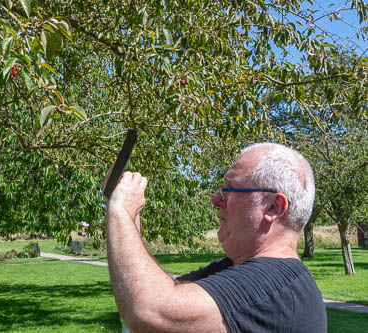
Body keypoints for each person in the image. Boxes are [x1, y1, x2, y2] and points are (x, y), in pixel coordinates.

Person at [104, 143, 327, 333]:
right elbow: (150, 289)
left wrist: (121, 210)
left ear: (273, 207)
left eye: (230, 190)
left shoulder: (271, 286)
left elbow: (149, 311)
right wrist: (130, 215)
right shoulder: (250, 271)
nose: (216, 200)